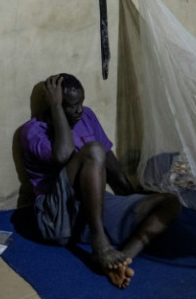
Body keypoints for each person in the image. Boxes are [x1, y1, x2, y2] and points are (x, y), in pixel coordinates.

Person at [19, 73, 181, 289]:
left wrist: (133, 196)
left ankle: (120, 259)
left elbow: (111, 164)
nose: (79, 110)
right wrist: (57, 109)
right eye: (70, 106)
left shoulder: (86, 116)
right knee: (93, 151)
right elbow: (63, 154)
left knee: (169, 202)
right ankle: (100, 243)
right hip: (55, 217)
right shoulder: (32, 131)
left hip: (89, 208)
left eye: (81, 103)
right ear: (52, 104)